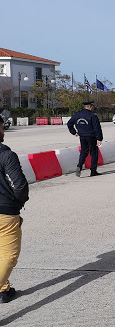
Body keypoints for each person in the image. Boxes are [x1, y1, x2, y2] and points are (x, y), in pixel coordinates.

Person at [0, 115, 29, 303]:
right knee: (9, 255)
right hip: (5, 212)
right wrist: (17, 203)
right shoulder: (6, 155)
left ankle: (4, 289)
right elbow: (19, 186)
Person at [67, 101, 103, 177]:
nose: (93, 108)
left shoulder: (77, 115)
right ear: (90, 107)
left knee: (83, 152)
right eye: (92, 106)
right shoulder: (92, 116)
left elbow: (69, 123)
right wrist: (99, 138)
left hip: (82, 136)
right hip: (91, 137)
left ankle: (79, 166)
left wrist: (74, 132)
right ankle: (93, 171)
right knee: (94, 153)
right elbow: (97, 128)